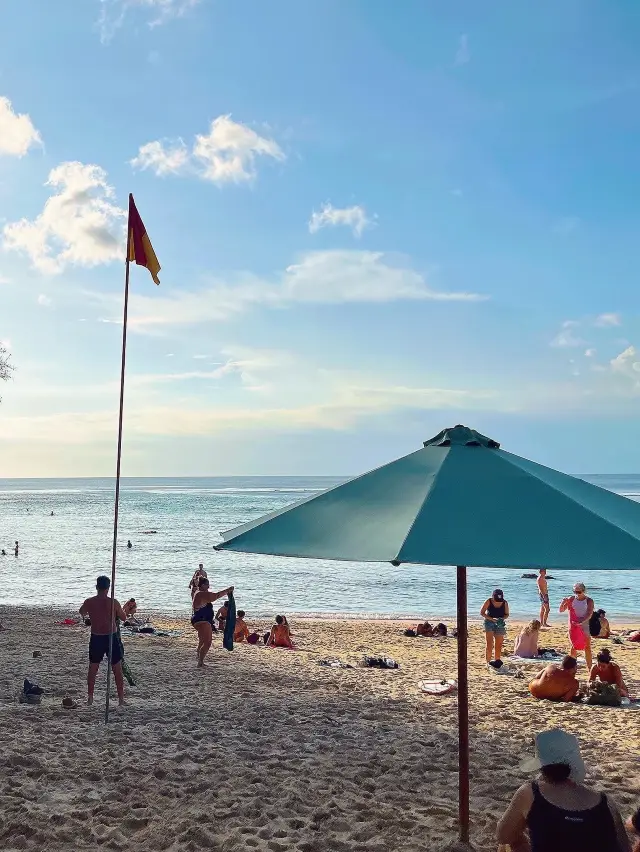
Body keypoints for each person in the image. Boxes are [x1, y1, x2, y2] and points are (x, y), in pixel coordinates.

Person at [497, 728, 630, 851]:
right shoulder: (606, 803)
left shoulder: (530, 793)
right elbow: (625, 849)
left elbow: (503, 836)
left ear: (542, 766)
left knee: (507, 844)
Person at [79, 576, 127, 706]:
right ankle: (121, 699)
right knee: (117, 668)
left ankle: (90, 697)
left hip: (97, 636)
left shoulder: (89, 602)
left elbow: (82, 612)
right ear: (108, 588)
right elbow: (124, 618)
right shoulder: (113, 602)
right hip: (110, 636)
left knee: (93, 667)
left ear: (96, 587)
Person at [191, 578, 233, 667]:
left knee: (202, 640)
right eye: (207, 584)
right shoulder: (201, 594)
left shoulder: (198, 592)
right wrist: (228, 590)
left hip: (199, 619)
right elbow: (215, 596)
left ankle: (199, 657)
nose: (209, 586)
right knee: (208, 642)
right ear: (202, 585)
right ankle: (200, 662)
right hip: (202, 621)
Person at [560, 582, 594, 669]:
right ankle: (571, 667)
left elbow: (589, 614)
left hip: (584, 624)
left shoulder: (589, 601)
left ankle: (589, 668)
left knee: (587, 647)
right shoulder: (571, 599)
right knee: (573, 646)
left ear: (584, 591)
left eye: (579, 592)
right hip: (573, 625)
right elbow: (561, 610)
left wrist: (581, 621)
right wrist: (563, 603)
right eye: (575, 592)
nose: (577, 594)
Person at [480, 589, 509, 664]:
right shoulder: (489, 601)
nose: (498, 601)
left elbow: (507, 614)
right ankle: (488, 662)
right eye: (496, 600)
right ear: (492, 596)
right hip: (489, 622)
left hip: (500, 623)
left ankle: (497, 661)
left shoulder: (504, 603)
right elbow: (482, 613)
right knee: (489, 644)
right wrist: (492, 619)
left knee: (499, 644)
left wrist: (501, 619)